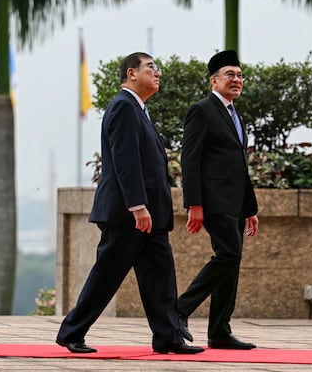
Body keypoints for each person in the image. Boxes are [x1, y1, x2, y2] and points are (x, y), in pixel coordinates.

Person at [56, 52, 203, 355]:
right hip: (129, 214)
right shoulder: (124, 106)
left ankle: (168, 338)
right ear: (131, 73)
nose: (158, 72)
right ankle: (72, 333)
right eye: (151, 67)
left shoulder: (139, 109)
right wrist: (137, 206)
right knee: (107, 276)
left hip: (152, 215)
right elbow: (125, 160)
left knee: (161, 277)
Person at [177, 49, 259, 350]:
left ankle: (220, 331)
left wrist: (250, 208)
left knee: (232, 262)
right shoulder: (202, 110)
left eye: (239, 75)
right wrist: (194, 205)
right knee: (229, 255)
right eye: (229, 75)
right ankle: (179, 309)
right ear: (214, 80)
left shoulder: (236, 115)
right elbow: (191, 160)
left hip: (236, 203)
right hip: (213, 202)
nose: (236, 80)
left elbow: (240, 165)